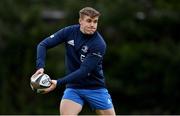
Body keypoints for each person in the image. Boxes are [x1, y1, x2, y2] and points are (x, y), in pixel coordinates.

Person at [33, 7, 116, 115]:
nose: (92, 25)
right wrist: (40, 66)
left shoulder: (99, 44)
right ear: (80, 21)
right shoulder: (69, 32)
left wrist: (58, 82)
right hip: (74, 88)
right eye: (89, 21)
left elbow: (84, 71)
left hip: (95, 89)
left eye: (95, 21)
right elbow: (43, 45)